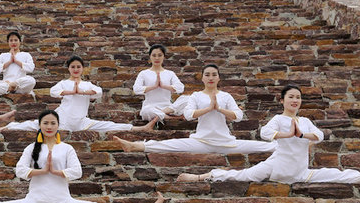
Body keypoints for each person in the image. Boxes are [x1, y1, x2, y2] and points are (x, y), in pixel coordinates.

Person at [0, 109, 164, 203]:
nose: (49, 126)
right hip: (34, 201)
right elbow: (20, 170)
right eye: (45, 123)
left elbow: (77, 171)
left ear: (57, 125)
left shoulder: (67, 148)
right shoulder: (32, 148)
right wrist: (41, 170)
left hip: (63, 202)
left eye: (53, 122)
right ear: (40, 126)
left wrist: (58, 172)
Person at [177, 84, 360, 184]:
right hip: (276, 167)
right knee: (241, 175)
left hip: (300, 172)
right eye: (291, 97)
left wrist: (301, 135)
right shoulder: (278, 119)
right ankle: (199, 177)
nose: (295, 100)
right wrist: (287, 135)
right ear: (283, 100)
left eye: (298, 97)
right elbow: (265, 133)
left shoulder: (305, 122)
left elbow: (320, 136)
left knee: (336, 175)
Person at [114, 63, 275, 154]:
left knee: (268, 146)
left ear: (218, 77)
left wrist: (219, 109)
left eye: (214, 74)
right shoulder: (196, 96)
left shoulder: (226, 96)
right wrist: (208, 109)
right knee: (171, 145)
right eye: (207, 75)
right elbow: (189, 115)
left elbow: (238, 116)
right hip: (201, 141)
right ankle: (135, 145)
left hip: (226, 142)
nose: (211, 77)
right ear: (203, 78)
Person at [0, 56, 157, 132]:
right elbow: (53, 92)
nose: (75, 69)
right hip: (62, 118)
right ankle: (3, 128)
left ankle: (139, 129)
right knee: (32, 125)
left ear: (82, 68)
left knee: (108, 126)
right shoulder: (64, 82)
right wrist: (70, 91)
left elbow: (99, 92)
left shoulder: (87, 84)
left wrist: (82, 91)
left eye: (78, 66)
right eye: (72, 67)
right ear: (69, 69)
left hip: (81, 120)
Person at [133, 44, 186, 121]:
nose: (157, 58)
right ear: (150, 57)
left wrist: (164, 86)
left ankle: (162, 113)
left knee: (187, 99)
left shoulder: (170, 73)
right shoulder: (143, 73)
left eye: (160, 55)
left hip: (168, 108)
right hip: (151, 107)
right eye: (154, 55)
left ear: (164, 57)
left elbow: (180, 88)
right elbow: (136, 89)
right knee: (146, 111)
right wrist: (153, 87)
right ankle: (171, 118)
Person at [0, 31, 36, 97]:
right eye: (11, 40)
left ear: (20, 42)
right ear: (8, 42)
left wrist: (17, 61)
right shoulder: (3, 55)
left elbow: (31, 68)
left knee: (31, 80)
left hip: (20, 85)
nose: (13, 42)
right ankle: (11, 87)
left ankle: (14, 85)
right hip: (6, 84)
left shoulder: (26, 55)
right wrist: (9, 62)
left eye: (15, 40)